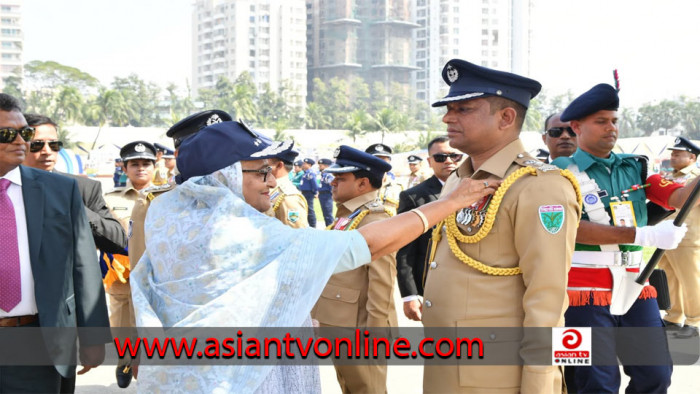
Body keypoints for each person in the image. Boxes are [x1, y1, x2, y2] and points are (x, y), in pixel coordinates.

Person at [129, 120, 497, 393]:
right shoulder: (240, 232)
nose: (274, 180)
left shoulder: (167, 216)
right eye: (262, 171)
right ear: (224, 176)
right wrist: (449, 203)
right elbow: (365, 246)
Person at [422, 59, 581, 393]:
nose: (447, 118)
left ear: (506, 118)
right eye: (449, 109)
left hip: (497, 374)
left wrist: (539, 383)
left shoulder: (539, 185)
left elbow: (547, 298)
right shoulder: (458, 179)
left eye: (463, 109)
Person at [552, 83, 700, 393]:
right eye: (601, 121)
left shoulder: (637, 167)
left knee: (656, 374)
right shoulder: (557, 173)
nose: (611, 128)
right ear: (577, 127)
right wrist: (641, 234)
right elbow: (567, 227)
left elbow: (681, 197)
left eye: (614, 121)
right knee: (593, 383)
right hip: (581, 289)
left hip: (636, 284)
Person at [0, 93, 110, 392]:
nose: (20, 141)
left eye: (24, 133)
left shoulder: (59, 190)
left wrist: (93, 336)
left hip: (38, 342)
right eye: (7, 134)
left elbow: (83, 264)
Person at [311, 145, 398, 393]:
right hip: (342, 324)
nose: (332, 183)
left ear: (362, 185)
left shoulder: (375, 220)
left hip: (361, 330)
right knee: (350, 386)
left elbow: (382, 283)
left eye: (340, 178)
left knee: (367, 388)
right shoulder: (349, 215)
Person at [22, 113, 127, 255]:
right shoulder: (6, 188)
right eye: (37, 145)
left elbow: (118, 241)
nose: (47, 151)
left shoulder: (83, 188)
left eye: (54, 145)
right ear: (20, 145)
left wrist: (76, 207)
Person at [103, 140, 157, 388]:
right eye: (134, 164)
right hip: (122, 275)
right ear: (125, 168)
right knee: (123, 327)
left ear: (154, 166)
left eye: (146, 163)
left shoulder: (166, 196)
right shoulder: (109, 199)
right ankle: (125, 360)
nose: (141, 169)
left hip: (156, 274)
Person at [396, 136, 462, 321]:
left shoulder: (477, 189)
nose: (448, 161)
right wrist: (409, 295)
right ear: (430, 161)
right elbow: (405, 249)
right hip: (434, 286)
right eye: (440, 157)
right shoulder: (414, 197)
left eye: (454, 156)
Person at [658, 136, 700, 338]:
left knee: (691, 280)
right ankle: (674, 317)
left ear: (692, 157)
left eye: (677, 153)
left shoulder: (695, 177)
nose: (673, 156)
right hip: (665, 235)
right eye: (672, 153)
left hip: (688, 238)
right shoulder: (671, 177)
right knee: (669, 278)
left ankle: (695, 321)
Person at [267, 140, 309, 228]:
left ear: (279, 165)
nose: (263, 167)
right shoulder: (273, 189)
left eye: (267, 164)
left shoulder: (289, 196)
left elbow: (296, 236)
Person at [366, 143, 403, 215]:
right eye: (376, 159)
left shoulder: (398, 187)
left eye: (384, 160)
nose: (380, 163)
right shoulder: (359, 185)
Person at [299, 157, 319, 227]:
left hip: (308, 193)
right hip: (304, 192)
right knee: (306, 209)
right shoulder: (306, 173)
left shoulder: (310, 173)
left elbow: (314, 184)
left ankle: (313, 225)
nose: (303, 165)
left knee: (310, 209)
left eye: (305, 164)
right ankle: (309, 224)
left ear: (309, 165)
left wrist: (315, 192)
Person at [317, 157, 334, 226]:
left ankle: (331, 230)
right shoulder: (323, 175)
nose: (319, 167)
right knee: (325, 214)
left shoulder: (328, 175)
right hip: (322, 195)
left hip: (327, 196)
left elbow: (332, 186)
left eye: (321, 165)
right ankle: (328, 228)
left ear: (326, 166)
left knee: (328, 215)